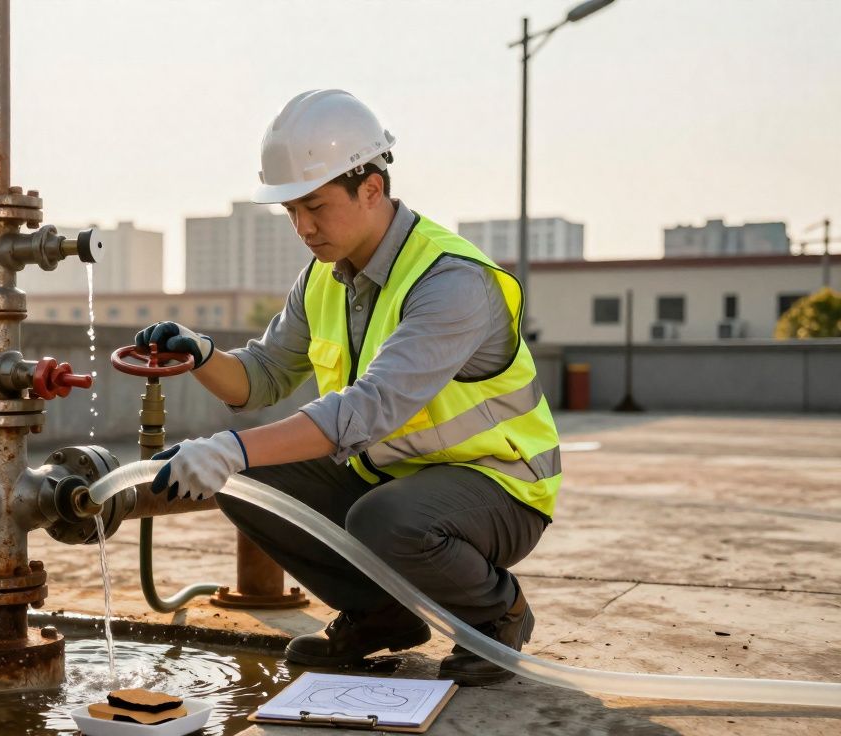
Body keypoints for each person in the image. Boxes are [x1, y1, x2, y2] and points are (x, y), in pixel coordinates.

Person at [136, 89, 560, 686]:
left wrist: (229, 445)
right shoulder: (321, 278)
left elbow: (370, 408)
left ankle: (498, 612)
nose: (303, 228)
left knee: (384, 519)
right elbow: (262, 376)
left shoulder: (451, 281)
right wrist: (200, 354)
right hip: (392, 474)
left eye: (314, 206)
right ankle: (380, 616)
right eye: (291, 213)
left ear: (371, 188)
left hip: (499, 486)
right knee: (246, 485)